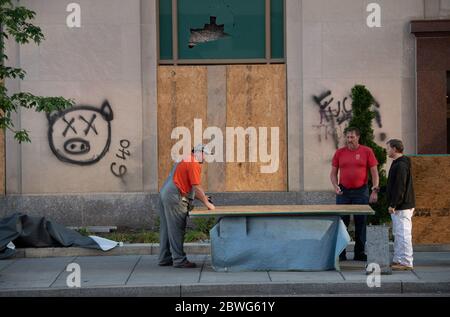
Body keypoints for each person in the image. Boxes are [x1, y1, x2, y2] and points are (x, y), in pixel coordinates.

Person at [158, 144, 215, 268]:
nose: (205, 159)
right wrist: (207, 203)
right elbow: (196, 186)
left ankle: (164, 258)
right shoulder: (194, 162)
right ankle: (179, 260)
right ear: (199, 152)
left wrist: (204, 197)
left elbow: (188, 183)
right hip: (175, 196)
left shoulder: (186, 158)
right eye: (205, 155)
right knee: (177, 228)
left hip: (165, 193)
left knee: (167, 228)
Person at [330, 127, 379, 261]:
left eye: (352, 137)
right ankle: (341, 253)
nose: (349, 140)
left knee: (361, 222)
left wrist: (374, 189)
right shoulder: (339, 153)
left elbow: (374, 172)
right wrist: (335, 186)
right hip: (343, 192)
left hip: (361, 191)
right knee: (342, 223)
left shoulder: (367, 151)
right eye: (347, 137)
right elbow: (333, 174)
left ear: (358, 137)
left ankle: (360, 253)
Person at [386, 139, 415, 271]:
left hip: (402, 206)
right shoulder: (398, 163)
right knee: (398, 234)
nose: (387, 150)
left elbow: (400, 186)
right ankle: (398, 259)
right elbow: (394, 185)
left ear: (395, 149)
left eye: (388, 148)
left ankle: (406, 261)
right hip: (399, 206)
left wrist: (394, 204)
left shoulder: (401, 165)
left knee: (404, 234)